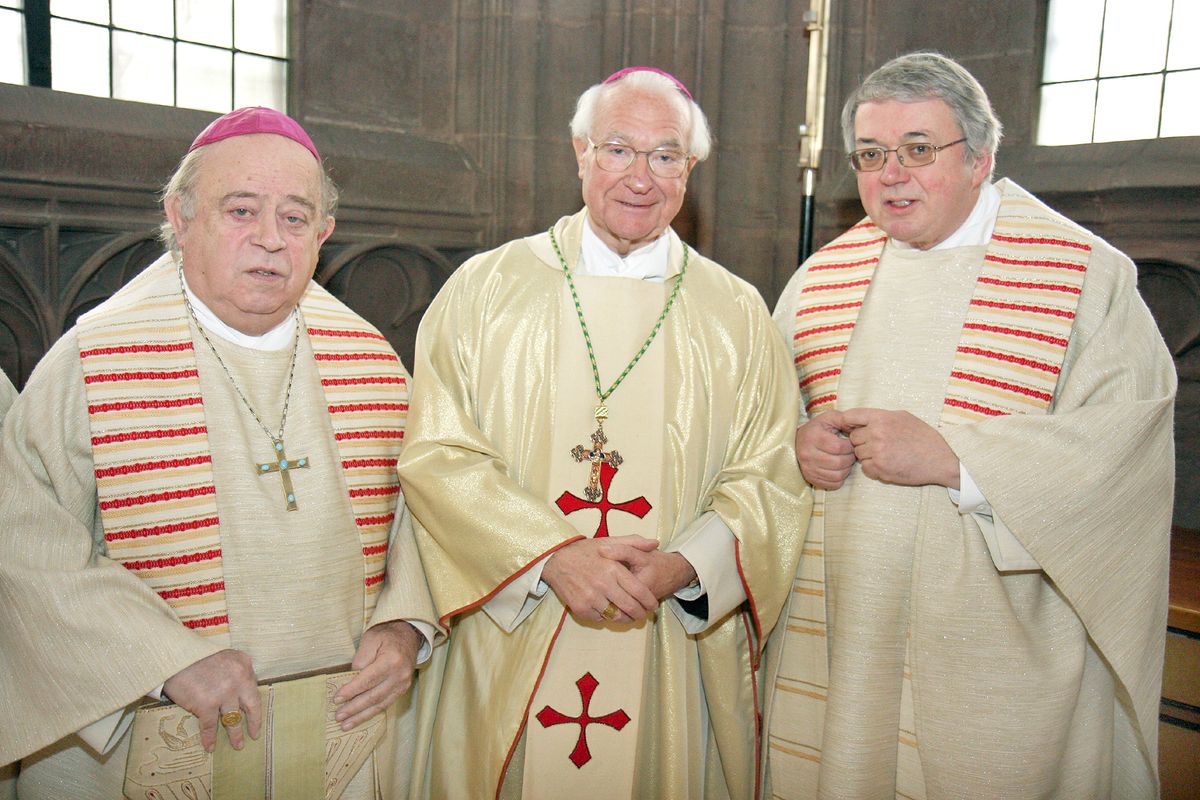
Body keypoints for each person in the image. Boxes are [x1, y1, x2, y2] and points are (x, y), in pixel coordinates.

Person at [764, 52, 1176, 799]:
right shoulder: (819, 280)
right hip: (840, 648)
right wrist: (794, 445)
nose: (892, 174)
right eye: (870, 154)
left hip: (997, 654)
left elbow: (1125, 462)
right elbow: (758, 422)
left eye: (919, 149)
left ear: (982, 156)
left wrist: (958, 460)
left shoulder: (1082, 277)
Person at [0, 107, 440, 799]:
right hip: (155, 732)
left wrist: (404, 625)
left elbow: (427, 516)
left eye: (295, 218)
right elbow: (23, 541)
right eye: (241, 211)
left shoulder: (373, 362)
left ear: (323, 234)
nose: (270, 239)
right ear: (180, 216)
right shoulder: (95, 360)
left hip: (342, 732)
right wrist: (162, 660)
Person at [396, 67, 810, 799]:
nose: (641, 177)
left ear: (691, 170)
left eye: (666, 155)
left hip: (667, 637)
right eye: (619, 149)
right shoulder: (485, 290)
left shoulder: (738, 313)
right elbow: (438, 453)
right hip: (513, 627)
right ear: (580, 153)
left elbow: (770, 473)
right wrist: (551, 556)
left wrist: (681, 568)